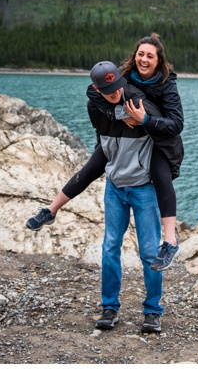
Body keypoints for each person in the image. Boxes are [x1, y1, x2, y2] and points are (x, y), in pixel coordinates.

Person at [26, 33, 183, 271]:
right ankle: (50, 210)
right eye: (141, 54)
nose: (144, 59)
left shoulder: (166, 84)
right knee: (90, 169)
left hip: (160, 137)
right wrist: (119, 115)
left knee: (160, 175)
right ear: (135, 55)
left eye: (150, 56)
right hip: (129, 133)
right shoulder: (122, 74)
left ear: (159, 60)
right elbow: (93, 91)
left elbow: (176, 125)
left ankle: (170, 241)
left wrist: (144, 119)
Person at [82, 62, 164, 333]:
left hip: (143, 187)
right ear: (97, 89)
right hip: (114, 188)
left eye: (117, 86)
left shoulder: (138, 102)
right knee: (110, 247)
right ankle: (109, 307)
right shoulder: (96, 106)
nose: (115, 92)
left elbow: (170, 132)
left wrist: (163, 173)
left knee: (150, 251)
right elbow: (101, 141)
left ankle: (152, 311)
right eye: (108, 90)